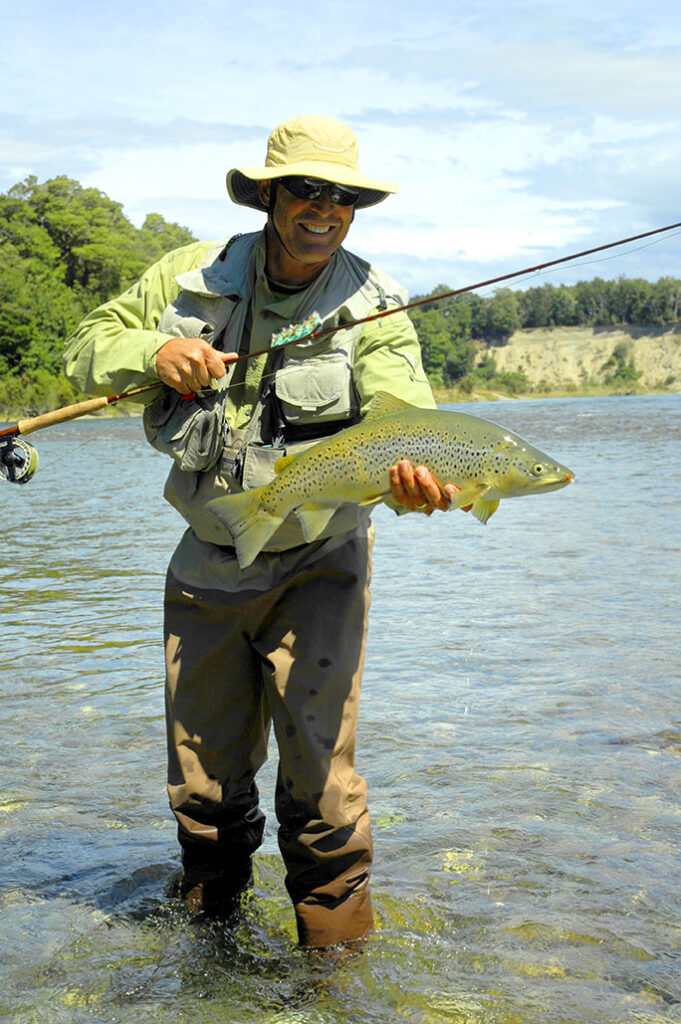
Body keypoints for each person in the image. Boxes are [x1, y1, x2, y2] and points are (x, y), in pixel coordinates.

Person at [63, 115, 462, 951]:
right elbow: (86, 345)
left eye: (343, 195)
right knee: (202, 785)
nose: (326, 208)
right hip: (206, 564)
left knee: (321, 788)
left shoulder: (375, 306)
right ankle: (208, 947)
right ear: (270, 196)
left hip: (320, 566)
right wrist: (155, 349)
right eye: (308, 190)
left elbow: (402, 417)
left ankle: (333, 967)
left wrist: (421, 483)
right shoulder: (188, 275)